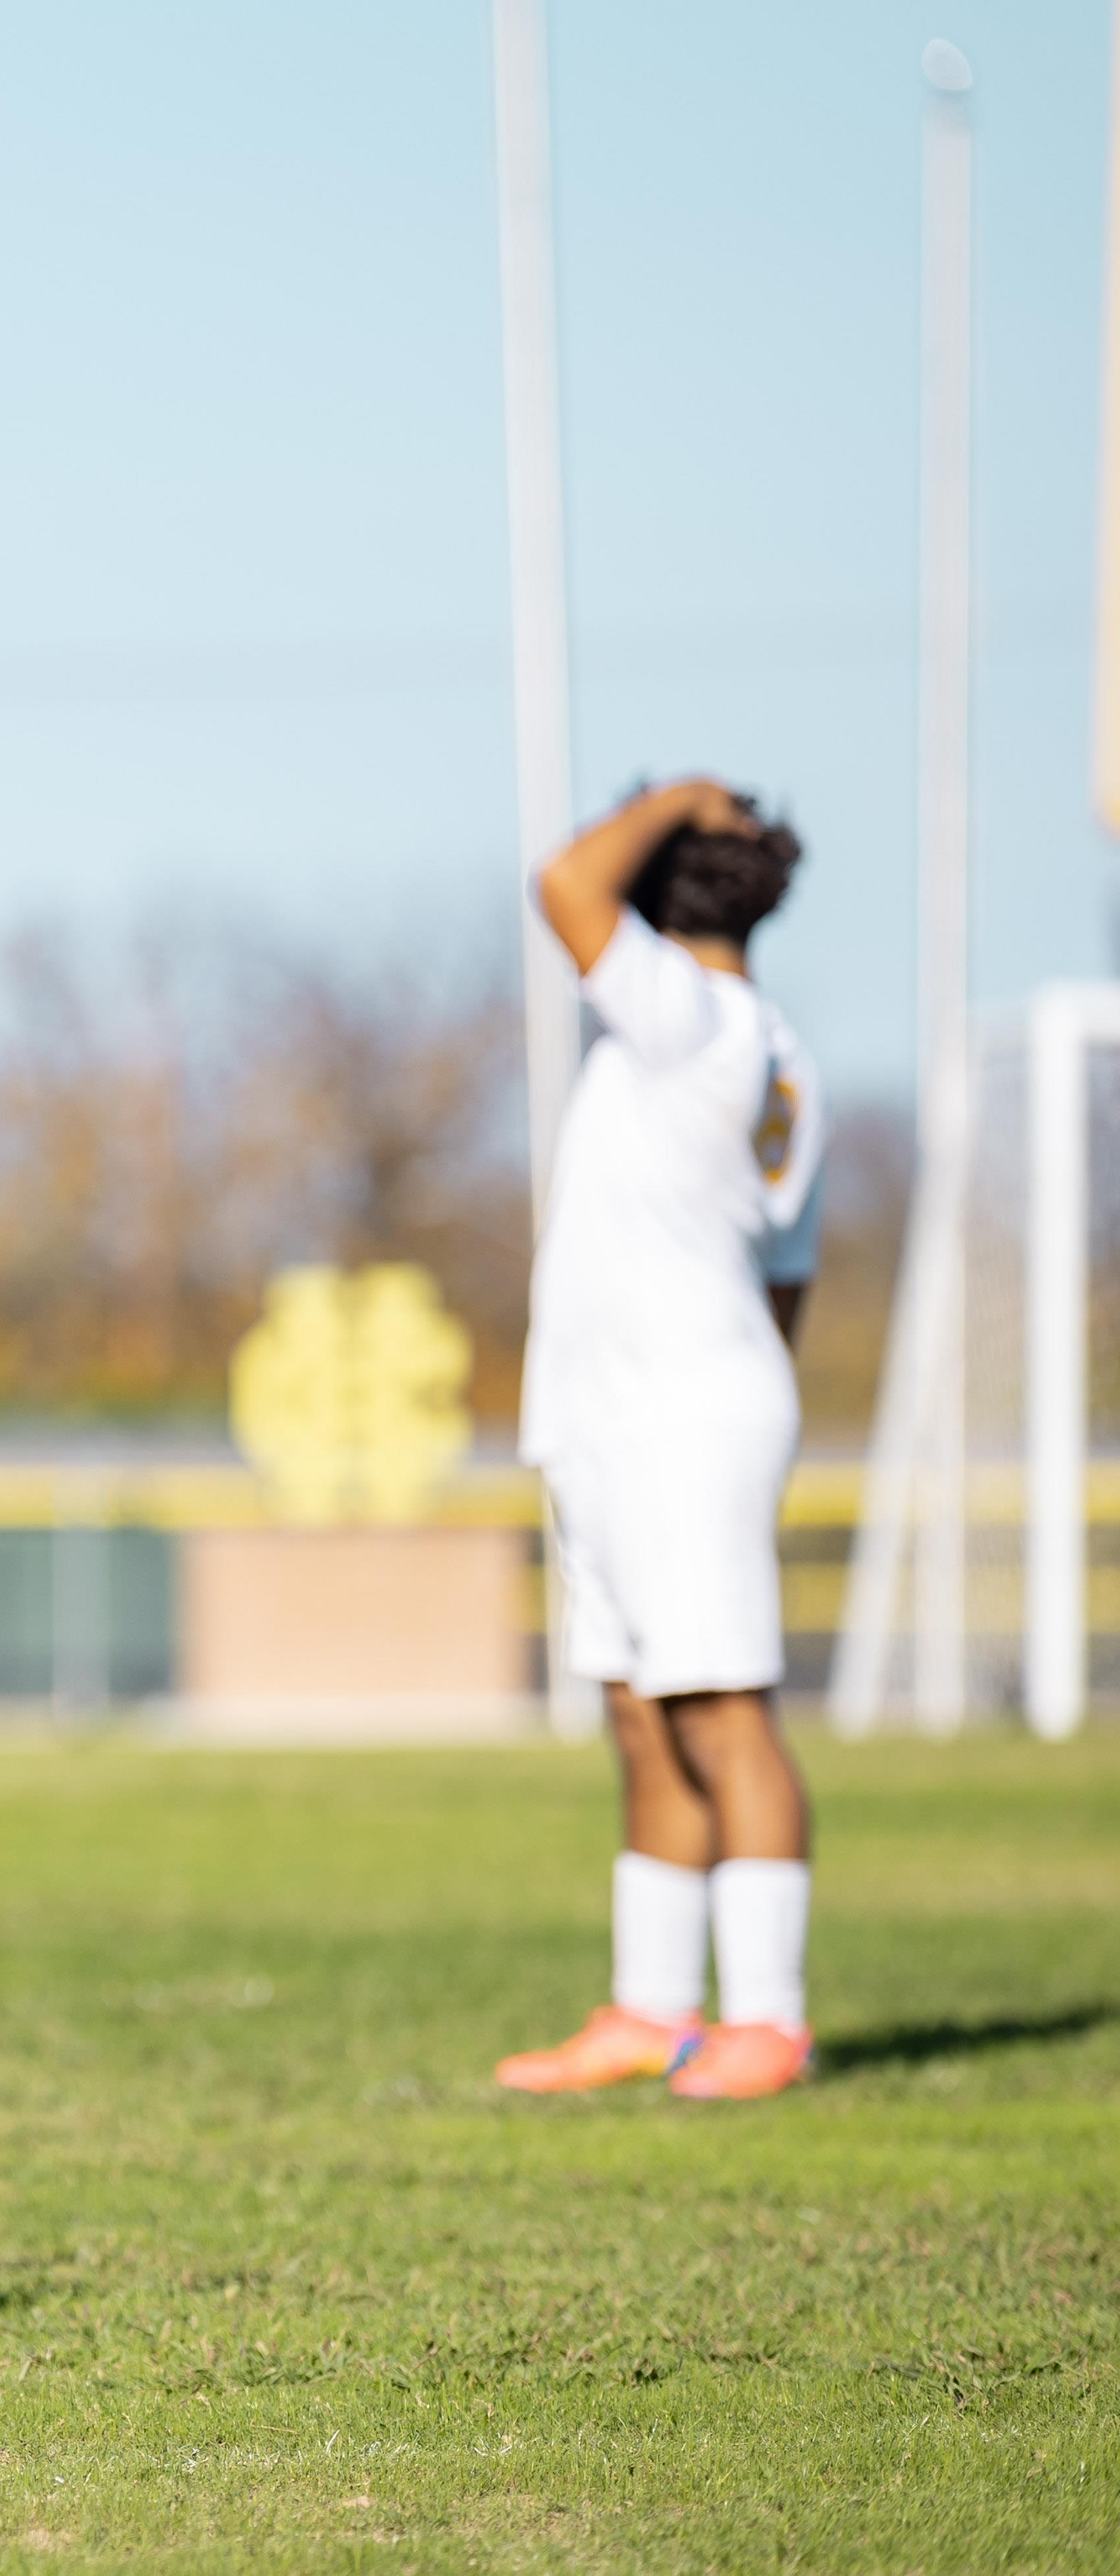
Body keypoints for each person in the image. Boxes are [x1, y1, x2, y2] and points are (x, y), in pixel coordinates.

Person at [498, 779, 825, 2102]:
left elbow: (561, 886)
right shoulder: (753, 1042)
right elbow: (789, 1271)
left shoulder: (688, 1015)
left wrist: (678, 795)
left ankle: (767, 2019)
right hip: (616, 1414)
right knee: (640, 1715)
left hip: (678, 1415)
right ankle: (649, 2009)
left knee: (719, 1711)